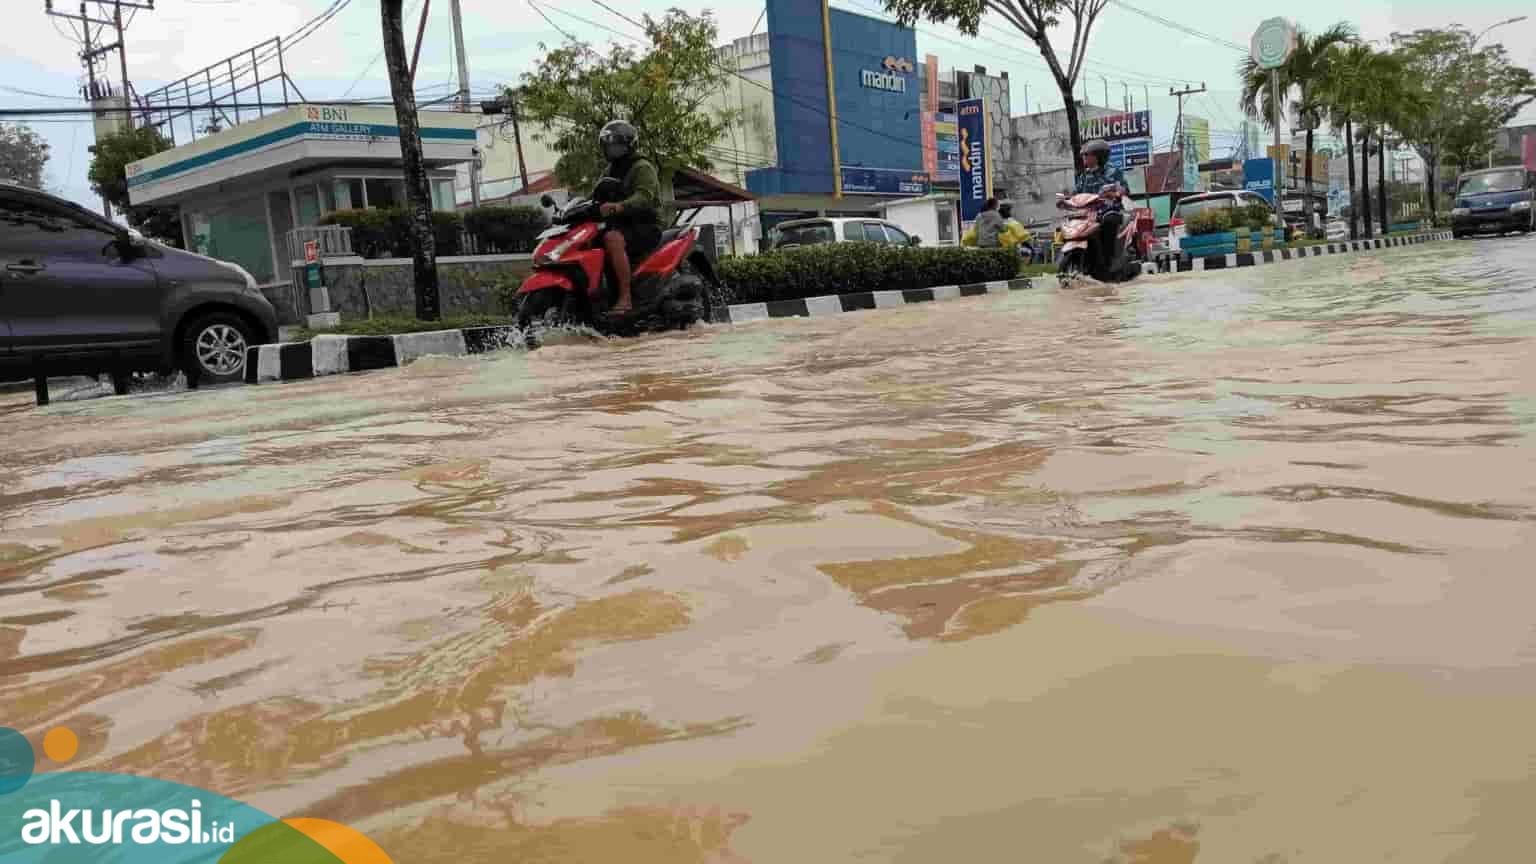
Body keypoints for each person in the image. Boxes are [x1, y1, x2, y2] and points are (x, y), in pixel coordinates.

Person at [594, 120, 662, 317]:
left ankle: (625, 297)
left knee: (612, 239)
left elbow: (644, 196)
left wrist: (619, 206)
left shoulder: (642, 167)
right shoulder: (609, 171)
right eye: (608, 145)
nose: (611, 150)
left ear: (628, 145)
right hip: (622, 224)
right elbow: (595, 195)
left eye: (615, 145)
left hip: (646, 225)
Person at [1073, 139, 1127, 274]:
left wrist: (1116, 193)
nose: (1083, 157)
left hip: (1109, 211)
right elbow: (1077, 193)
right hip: (1089, 214)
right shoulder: (1083, 175)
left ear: (1098, 156)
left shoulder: (1112, 171)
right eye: (1083, 155)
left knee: (1110, 222)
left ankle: (1109, 263)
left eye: (1087, 155)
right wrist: (1066, 200)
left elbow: (1124, 189)